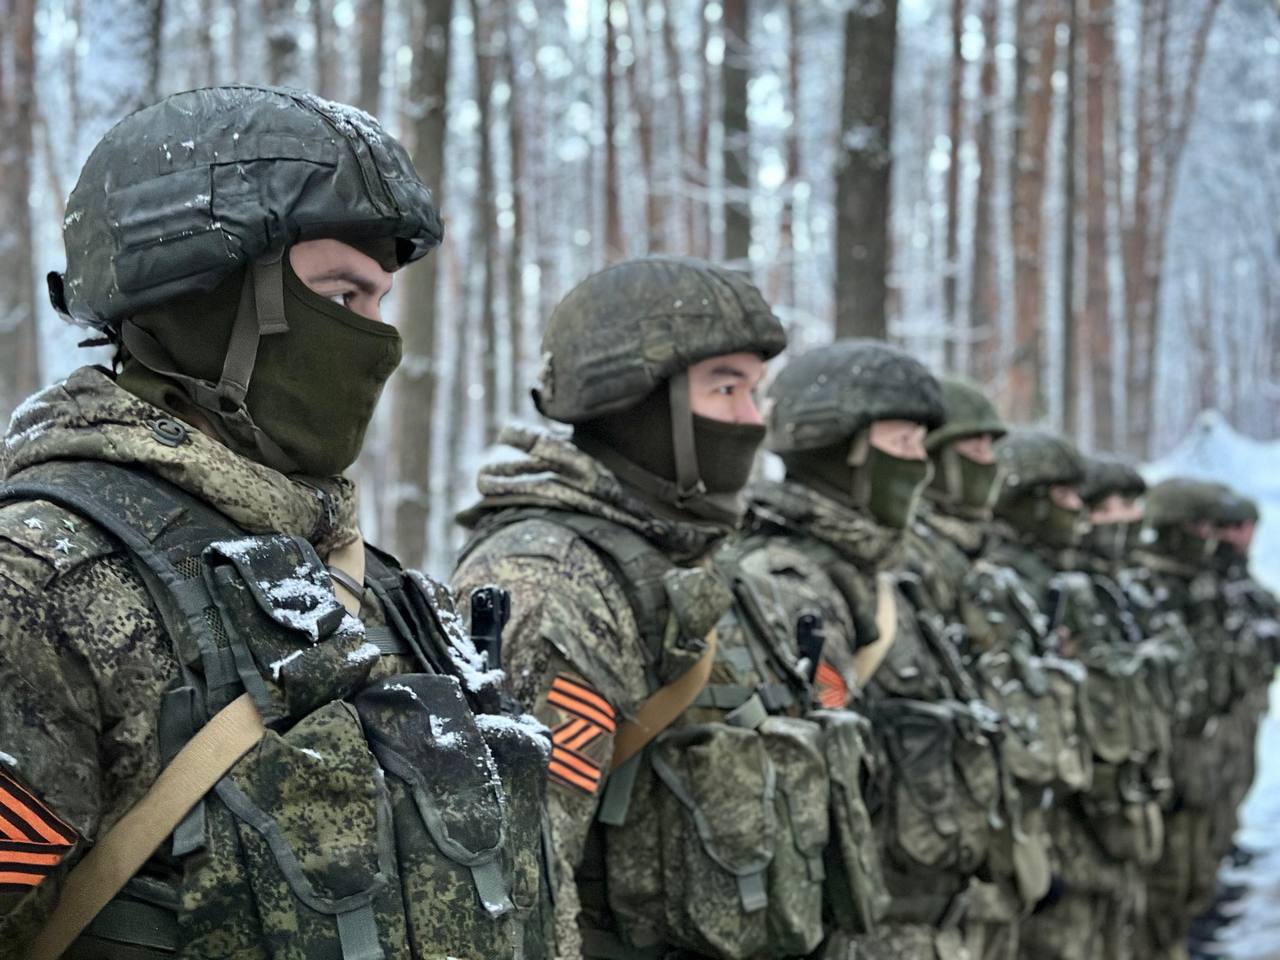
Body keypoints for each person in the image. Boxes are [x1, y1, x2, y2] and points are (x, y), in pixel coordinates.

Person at [0, 85, 551, 960]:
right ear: (206, 294)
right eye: (343, 294)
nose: (379, 343)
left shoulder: (383, 591)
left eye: (381, 301)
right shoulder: (40, 587)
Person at [455, 257, 889, 960]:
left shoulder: (708, 566)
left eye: (756, 392)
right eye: (726, 388)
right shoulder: (552, 583)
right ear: (636, 402)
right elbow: (517, 898)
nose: (753, 420)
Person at [741, 341, 1003, 959]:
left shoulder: (878, 577)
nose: (921, 465)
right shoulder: (792, 584)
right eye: (902, 442)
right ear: (841, 447)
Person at [903, 376, 1060, 960]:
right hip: (935, 839)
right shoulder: (910, 559)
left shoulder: (981, 557)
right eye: (973, 450)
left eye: (993, 450)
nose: (989, 464)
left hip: (996, 824)